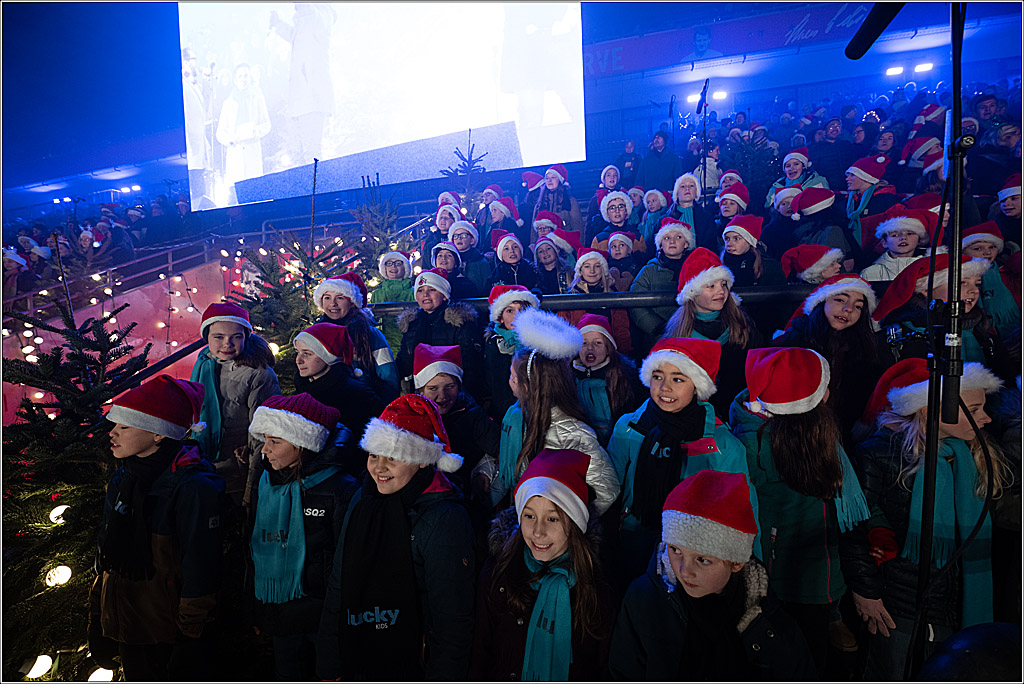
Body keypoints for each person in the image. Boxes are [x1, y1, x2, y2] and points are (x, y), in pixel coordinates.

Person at [844, 359, 1009, 680]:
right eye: (973, 410)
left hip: (958, 606)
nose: (986, 419)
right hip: (900, 607)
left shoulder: (975, 453)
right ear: (928, 408)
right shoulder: (880, 454)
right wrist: (866, 592)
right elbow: (854, 528)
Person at [728, 347, 870, 676]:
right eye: (822, 387)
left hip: (820, 572)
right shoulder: (755, 445)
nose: (830, 394)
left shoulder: (815, 433)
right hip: (784, 576)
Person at [316, 394, 476, 681]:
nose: (378, 468)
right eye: (374, 455)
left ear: (422, 460)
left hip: (413, 665)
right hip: (358, 655)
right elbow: (339, 584)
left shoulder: (444, 518)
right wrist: (329, 665)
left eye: (393, 457)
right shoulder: (363, 500)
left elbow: (452, 621)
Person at [609, 470, 815, 681]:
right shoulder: (643, 599)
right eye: (675, 550)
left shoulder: (766, 619)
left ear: (736, 562)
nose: (684, 570)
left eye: (703, 559)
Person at [88, 376, 224, 682]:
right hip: (128, 627)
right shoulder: (123, 480)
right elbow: (106, 557)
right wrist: (99, 618)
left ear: (158, 434)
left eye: (124, 426)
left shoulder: (191, 487)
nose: (112, 434)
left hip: (165, 633)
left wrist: (190, 635)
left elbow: (200, 565)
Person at [606, 337, 756, 586]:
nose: (665, 387)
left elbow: (743, 509)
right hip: (635, 534)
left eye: (678, 379)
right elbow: (611, 487)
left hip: (693, 550)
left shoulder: (721, 446)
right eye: (657, 376)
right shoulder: (629, 428)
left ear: (696, 386)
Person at [470, 448, 616, 680]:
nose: (538, 532)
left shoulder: (596, 585)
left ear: (575, 524)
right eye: (529, 516)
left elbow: (602, 667)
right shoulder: (499, 572)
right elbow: (480, 654)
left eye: (553, 518)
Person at [245, 393, 359, 681]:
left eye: (275, 442)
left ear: (302, 443)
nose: (264, 451)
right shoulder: (267, 481)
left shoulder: (339, 489)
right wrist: (260, 611)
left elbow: (345, 560)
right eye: (265, 440)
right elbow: (256, 548)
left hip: (322, 616)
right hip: (282, 614)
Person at [491, 307, 620, 516]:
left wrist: (569, 522)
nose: (509, 382)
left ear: (529, 386)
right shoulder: (519, 419)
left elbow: (608, 489)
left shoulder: (572, 432)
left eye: (513, 377)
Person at [872, 254, 1015, 382]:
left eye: (977, 284)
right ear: (926, 290)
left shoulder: (986, 339)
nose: (974, 290)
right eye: (961, 283)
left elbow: (1005, 385)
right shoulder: (897, 339)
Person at [190, 303, 280, 504]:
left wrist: (251, 492)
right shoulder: (204, 362)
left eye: (236, 337)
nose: (227, 344)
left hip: (236, 470)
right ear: (207, 337)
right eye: (219, 337)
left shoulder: (259, 374)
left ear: (246, 337)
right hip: (205, 463)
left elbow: (262, 432)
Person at [664, 248, 764, 420]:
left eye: (723, 285)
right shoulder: (676, 335)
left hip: (738, 413)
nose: (721, 291)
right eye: (711, 286)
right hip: (694, 419)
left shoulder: (743, 326)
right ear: (692, 292)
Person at [291, 323, 385, 475]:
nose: (298, 360)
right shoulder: (302, 389)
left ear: (328, 356)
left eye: (307, 354)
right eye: (298, 352)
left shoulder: (357, 395)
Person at [413, 344, 499, 503]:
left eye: (450, 387)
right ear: (420, 391)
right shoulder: (410, 418)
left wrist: (486, 469)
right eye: (433, 388)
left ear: (459, 386)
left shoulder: (472, 415)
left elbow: (501, 448)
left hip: (464, 497)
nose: (442, 396)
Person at [396, 267, 484, 398]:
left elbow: (470, 363)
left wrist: (464, 395)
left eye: (432, 290)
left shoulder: (459, 322)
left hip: (452, 392)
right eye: (420, 290)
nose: (425, 294)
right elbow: (405, 359)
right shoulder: (412, 324)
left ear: (443, 295)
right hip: (421, 392)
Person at [313, 272, 399, 401]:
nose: (333, 304)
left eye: (340, 298)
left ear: (353, 303)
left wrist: (384, 408)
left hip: (365, 402)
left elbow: (389, 377)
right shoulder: (315, 333)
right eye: (327, 298)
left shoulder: (371, 335)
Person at [571, 314, 642, 446]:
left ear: (608, 349)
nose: (590, 348)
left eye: (598, 342)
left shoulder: (625, 377)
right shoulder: (568, 377)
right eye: (584, 343)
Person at [628, 218, 694, 357]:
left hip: (692, 334)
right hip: (658, 338)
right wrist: (657, 327)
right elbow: (635, 302)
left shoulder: (697, 269)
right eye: (667, 237)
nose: (672, 241)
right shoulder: (648, 271)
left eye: (678, 237)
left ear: (686, 244)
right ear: (660, 245)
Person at [483, 284, 541, 422]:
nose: (517, 316)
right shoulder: (494, 343)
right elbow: (494, 381)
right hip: (505, 409)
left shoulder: (539, 341)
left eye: (522, 310)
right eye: (510, 311)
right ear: (500, 317)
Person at [562, 248, 633, 354]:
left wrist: (623, 356)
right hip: (579, 352)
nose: (592, 271)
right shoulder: (570, 298)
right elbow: (564, 331)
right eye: (587, 266)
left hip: (609, 353)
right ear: (581, 270)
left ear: (603, 270)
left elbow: (621, 330)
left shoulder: (614, 296)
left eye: (597, 266)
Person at [215, 63, 271, 192]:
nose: (243, 79)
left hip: (253, 150)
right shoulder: (228, 103)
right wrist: (230, 139)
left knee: (255, 190)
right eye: (240, 76)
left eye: (246, 75)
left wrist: (255, 132)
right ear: (235, 80)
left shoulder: (257, 98)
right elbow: (220, 133)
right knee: (236, 193)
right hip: (236, 152)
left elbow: (266, 124)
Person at [962, 221, 1021, 337]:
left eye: (992, 247)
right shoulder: (960, 278)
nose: (987, 252)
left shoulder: (1006, 273)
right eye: (978, 248)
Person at [845, 155, 904, 267]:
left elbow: (894, 232)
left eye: (852, 175)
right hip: (855, 259)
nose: (847, 179)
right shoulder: (849, 201)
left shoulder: (887, 201)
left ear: (866, 177)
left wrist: (876, 256)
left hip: (877, 260)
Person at [859, 207, 933, 282]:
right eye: (895, 235)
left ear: (919, 240)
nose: (903, 238)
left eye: (910, 233)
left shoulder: (929, 269)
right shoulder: (870, 273)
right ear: (884, 242)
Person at [720, 215, 785, 287]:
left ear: (750, 242)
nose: (729, 244)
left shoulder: (770, 267)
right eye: (727, 239)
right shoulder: (718, 267)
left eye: (736, 239)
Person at [370, 249, 415, 354]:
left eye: (398, 263)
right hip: (382, 344)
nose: (393, 267)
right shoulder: (377, 294)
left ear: (405, 267)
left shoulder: (414, 292)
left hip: (408, 344)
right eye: (389, 264)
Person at [764, 146, 829, 210]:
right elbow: (768, 208)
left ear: (803, 166)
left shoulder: (817, 181)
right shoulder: (777, 185)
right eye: (788, 166)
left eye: (796, 164)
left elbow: (825, 206)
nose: (791, 168)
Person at [530, 165, 584, 239]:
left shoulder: (570, 202)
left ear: (559, 180)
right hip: (545, 246)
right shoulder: (539, 204)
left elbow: (577, 227)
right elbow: (533, 231)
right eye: (547, 178)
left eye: (553, 177)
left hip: (565, 245)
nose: (549, 181)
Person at [666, 172, 715, 250]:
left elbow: (711, 246)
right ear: (677, 194)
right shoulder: (664, 220)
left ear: (696, 192)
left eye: (691, 186)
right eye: (683, 186)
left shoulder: (707, 218)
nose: (687, 188)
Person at [761, 185, 803, 259]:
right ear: (777, 208)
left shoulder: (806, 224)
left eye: (793, 202)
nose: (789, 206)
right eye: (784, 204)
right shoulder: (770, 229)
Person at [450, 220, 491, 294]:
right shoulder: (450, 260)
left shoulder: (480, 262)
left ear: (472, 240)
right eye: (455, 236)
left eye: (463, 235)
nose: (459, 238)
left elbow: (487, 287)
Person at [585, 165, 624, 240]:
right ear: (604, 179)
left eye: (615, 175)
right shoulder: (596, 198)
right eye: (609, 175)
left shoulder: (623, 196)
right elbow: (589, 223)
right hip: (601, 234)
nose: (612, 178)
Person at [710, 182, 749, 252]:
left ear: (739, 207)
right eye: (724, 203)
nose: (726, 206)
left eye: (732, 203)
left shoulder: (746, 227)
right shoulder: (714, 225)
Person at [637, 189, 670, 258]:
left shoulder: (666, 217)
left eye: (654, 201)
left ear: (661, 201)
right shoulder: (644, 219)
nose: (650, 204)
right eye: (648, 202)